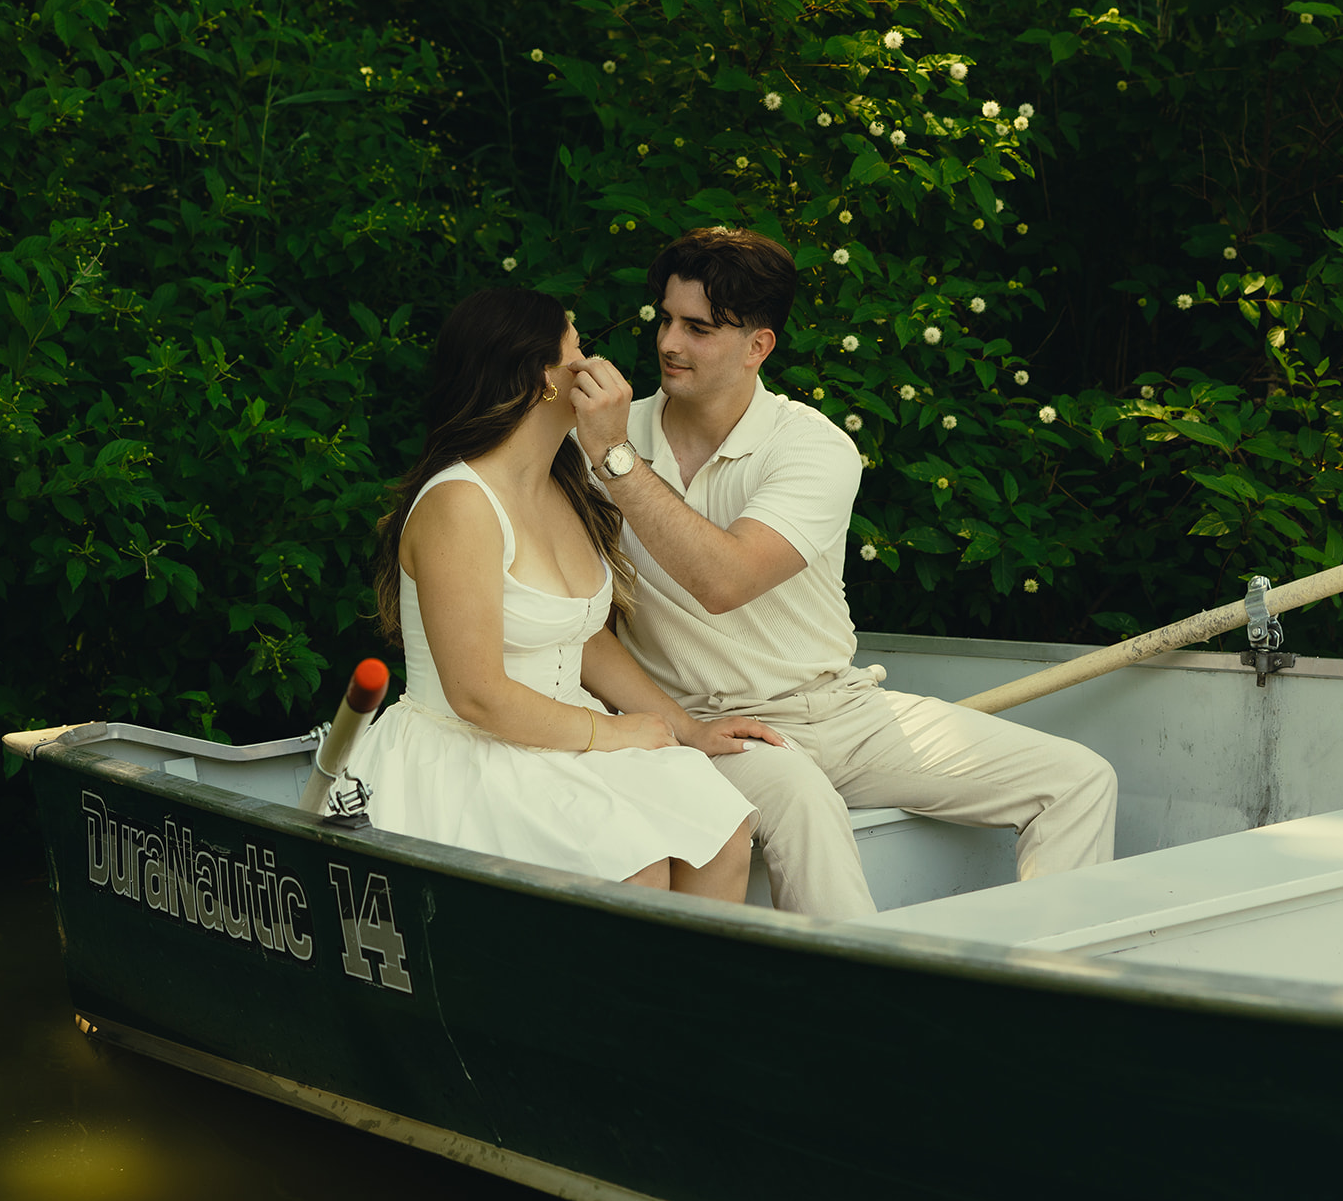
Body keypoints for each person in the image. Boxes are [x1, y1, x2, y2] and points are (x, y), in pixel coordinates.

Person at [566, 227, 1119, 919]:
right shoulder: (593, 440)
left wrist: (616, 458)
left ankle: (1038, 999)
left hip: (838, 710)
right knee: (806, 804)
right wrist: (611, 447)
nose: (669, 344)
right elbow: (569, 616)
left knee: (1077, 780)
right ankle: (866, 1011)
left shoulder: (811, 448)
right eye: (667, 319)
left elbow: (723, 580)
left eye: (699, 328)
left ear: (758, 346)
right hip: (708, 725)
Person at [348, 288, 779, 902]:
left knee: (723, 833)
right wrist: (617, 734)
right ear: (542, 379)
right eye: (577, 349)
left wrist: (686, 728)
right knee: (634, 868)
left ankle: (693, 998)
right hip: (473, 748)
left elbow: (580, 636)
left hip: (565, 736)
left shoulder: (565, 482)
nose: (593, 362)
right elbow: (476, 694)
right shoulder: (459, 504)